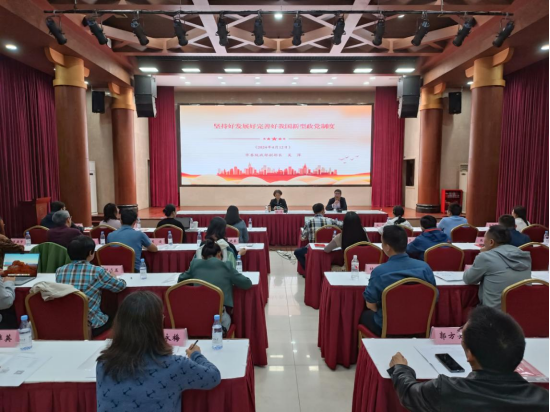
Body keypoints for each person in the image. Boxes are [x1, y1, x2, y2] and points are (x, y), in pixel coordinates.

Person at [388, 306, 549, 412]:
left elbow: (409, 393)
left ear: (470, 355)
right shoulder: (543, 400)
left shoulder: (447, 390)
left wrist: (400, 369)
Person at [96, 291, 221, 412]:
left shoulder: (103, 365)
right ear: (156, 325)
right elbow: (213, 377)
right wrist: (196, 355)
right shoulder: (175, 366)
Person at [361, 226, 437, 337]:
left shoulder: (379, 272)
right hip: (419, 324)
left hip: (387, 326)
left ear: (387, 247)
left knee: (364, 315)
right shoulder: (425, 268)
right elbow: (434, 297)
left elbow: (370, 304)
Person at [56, 236, 126, 337]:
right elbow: (120, 287)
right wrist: (115, 278)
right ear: (90, 253)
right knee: (116, 318)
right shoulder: (97, 271)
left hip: (67, 321)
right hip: (91, 323)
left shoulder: (60, 271)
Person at [179, 240, 252, 330]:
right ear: (219, 254)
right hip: (219, 317)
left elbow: (181, 280)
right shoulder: (226, 266)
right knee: (226, 319)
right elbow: (247, 284)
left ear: (202, 256)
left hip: (196, 315)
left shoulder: (195, 264)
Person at [464, 225, 532, 310]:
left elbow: (468, 279)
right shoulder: (523, 255)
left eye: (484, 238)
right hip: (520, 311)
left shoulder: (485, 257)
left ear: (491, 242)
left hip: (493, 313)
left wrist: (482, 254)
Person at [294, 203, 342, 270]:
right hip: (329, 248)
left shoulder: (309, 221)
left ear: (314, 211)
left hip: (314, 249)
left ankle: (309, 270)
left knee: (297, 252)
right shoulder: (330, 220)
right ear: (322, 210)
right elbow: (342, 224)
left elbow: (303, 238)